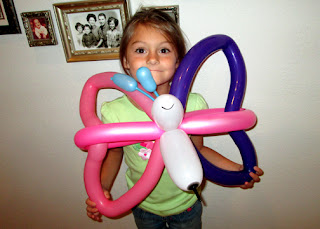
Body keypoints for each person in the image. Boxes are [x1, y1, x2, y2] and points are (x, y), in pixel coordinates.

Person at [85, 8, 264, 228]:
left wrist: (236, 170)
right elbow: (113, 155)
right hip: (143, 206)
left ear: (178, 61)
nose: (152, 59)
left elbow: (200, 151)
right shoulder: (115, 112)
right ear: (126, 62)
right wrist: (101, 188)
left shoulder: (193, 105)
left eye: (163, 50)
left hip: (186, 205)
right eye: (141, 50)